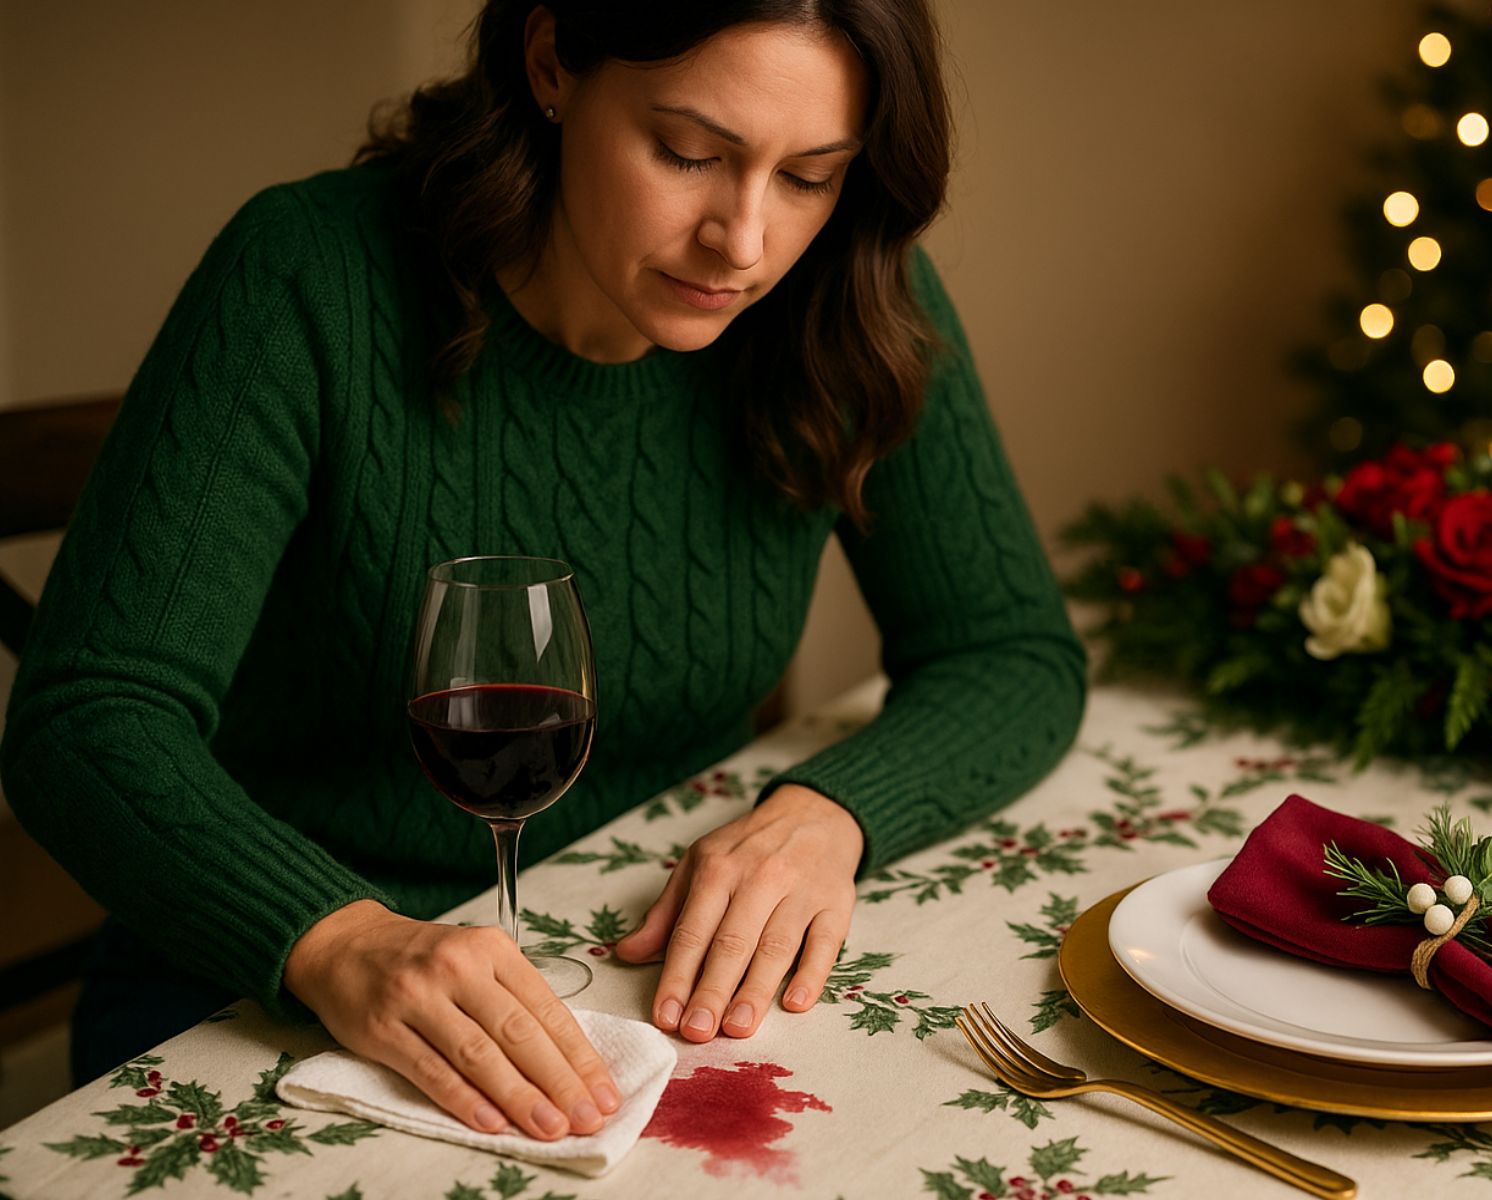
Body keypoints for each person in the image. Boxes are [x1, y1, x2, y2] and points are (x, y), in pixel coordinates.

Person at [0, 0, 1084, 1143]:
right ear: (553, 60)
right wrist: (336, 939)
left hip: (629, 982)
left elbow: (1010, 649)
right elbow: (88, 720)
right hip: (260, 985)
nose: (745, 240)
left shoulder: (848, 298)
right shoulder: (308, 275)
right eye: (688, 154)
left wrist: (830, 815)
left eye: (811, 175)